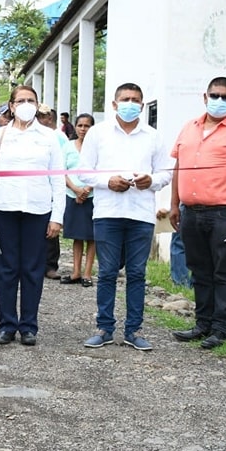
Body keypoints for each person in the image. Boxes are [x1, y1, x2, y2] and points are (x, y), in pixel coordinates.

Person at [170, 77, 226, 350]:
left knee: (223, 270)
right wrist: (175, 204)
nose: (219, 100)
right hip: (191, 212)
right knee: (199, 269)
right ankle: (203, 323)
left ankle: (223, 328)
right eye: (215, 95)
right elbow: (179, 168)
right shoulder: (189, 128)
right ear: (205, 96)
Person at [78, 82, 171, 351]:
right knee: (107, 272)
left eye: (135, 100)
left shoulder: (153, 136)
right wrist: (108, 181)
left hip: (141, 214)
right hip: (108, 212)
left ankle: (134, 330)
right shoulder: (98, 133)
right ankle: (104, 327)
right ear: (115, 104)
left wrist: (150, 180)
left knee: (137, 273)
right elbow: (84, 171)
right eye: (125, 99)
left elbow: (167, 172)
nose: (130, 103)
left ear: (142, 106)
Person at [0, 86, 65, 345]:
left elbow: (58, 178)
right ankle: (7, 324)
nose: (26, 104)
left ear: (38, 105)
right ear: (12, 106)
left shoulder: (50, 137)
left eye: (31, 100)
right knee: (6, 269)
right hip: (4, 209)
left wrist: (56, 216)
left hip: (38, 210)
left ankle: (29, 326)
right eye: (21, 100)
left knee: (32, 269)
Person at [36, 104, 71, 281]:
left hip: (52, 186)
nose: (39, 119)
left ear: (49, 118)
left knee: (51, 227)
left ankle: (50, 265)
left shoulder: (59, 137)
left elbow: (62, 164)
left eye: (42, 116)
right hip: (37, 187)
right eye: (37, 116)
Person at [63, 113, 96, 287]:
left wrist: (86, 190)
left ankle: (87, 273)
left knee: (91, 236)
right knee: (76, 236)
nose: (83, 129)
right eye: (80, 125)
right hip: (72, 194)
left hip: (92, 196)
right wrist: (76, 190)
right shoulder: (68, 146)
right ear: (75, 127)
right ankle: (75, 271)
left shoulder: (97, 147)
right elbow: (62, 171)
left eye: (87, 126)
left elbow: (99, 170)